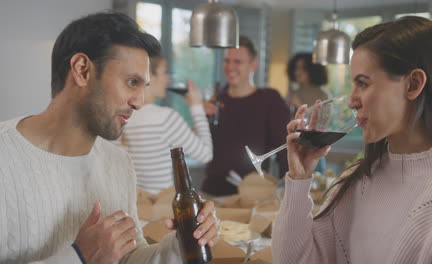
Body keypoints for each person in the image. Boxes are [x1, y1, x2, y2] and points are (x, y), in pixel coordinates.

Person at [0, 12, 219, 263]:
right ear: (82, 70)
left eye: (143, 86)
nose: (139, 102)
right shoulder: (4, 157)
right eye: (131, 82)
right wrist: (78, 257)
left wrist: (180, 245)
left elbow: (128, 256)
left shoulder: (119, 164)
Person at [273, 16, 432, 263]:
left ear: (413, 84)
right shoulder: (356, 180)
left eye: (363, 83)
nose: (352, 100)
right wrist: (299, 181)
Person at [202, 36, 290, 197]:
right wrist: (199, 117)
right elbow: (199, 146)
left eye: (237, 62)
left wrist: (289, 188)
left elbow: (285, 147)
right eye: (227, 61)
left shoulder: (269, 100)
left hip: (253, 195)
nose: (230, 67)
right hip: (212, 193)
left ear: (253, 65)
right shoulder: (215, 101)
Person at [120, 53, 212, 195]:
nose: (167, 79)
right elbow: (205, 155)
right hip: (161, 208)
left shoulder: (121, 116)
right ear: (148, 75)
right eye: (164, 72)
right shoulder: (165, 118)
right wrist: (197, 108)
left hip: (135, 206)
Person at [286, 52, 330, 174]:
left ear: (313, 70)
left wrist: (298, 104)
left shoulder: (322, 94)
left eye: (303, 68)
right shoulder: (292, 93)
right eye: (296, 68)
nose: (298, 72)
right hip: (295, 147)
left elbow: (321, 124)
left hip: (314, 149)